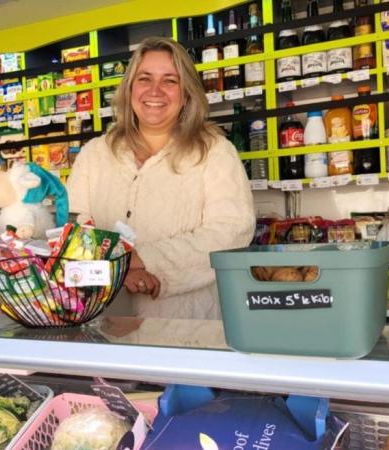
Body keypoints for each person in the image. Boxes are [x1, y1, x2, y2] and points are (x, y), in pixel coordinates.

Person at [66, 36, 255, 319]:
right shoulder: (95, 154)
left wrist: (141, 260)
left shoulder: (215, 152)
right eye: (144, 78)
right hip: (103, 323)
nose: (155, 91)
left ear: (187, 93)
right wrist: (118, 272)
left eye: (170, 80)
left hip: (187, 327)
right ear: (129, 89)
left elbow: (231, 232)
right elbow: (72, 229)